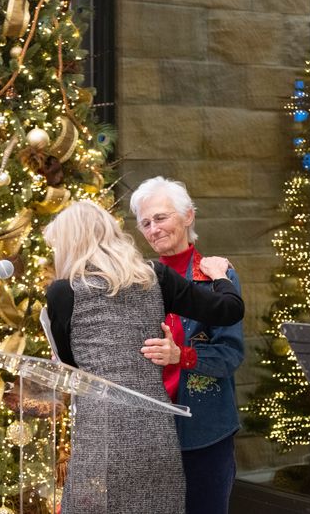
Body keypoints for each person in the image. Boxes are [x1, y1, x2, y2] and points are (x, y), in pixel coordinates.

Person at [43, 200, 245, 514]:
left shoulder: (62, 292)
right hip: (156, 433)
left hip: (101, 434)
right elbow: (230, 310)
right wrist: (220, 276)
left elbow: (71, 363)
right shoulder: (156, 277)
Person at [130, 176, 245, 514]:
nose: (153, 229)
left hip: (204, 430)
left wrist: (181, 356)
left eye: (161, 218)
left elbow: (231, 354)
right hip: (148, 429)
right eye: (146, 223)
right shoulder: (136, 279)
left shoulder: (217, 278)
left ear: (188, 216)